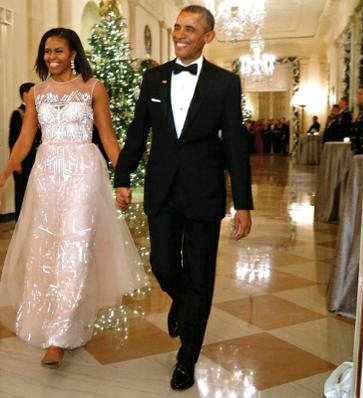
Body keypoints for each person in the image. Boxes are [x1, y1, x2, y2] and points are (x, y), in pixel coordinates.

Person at [114, 5, 253, 391]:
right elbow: (138, 131)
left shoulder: (225, 83)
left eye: (189, 28)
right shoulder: (154, 78)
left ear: (208, 36)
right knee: (162, 264)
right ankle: (182, 302)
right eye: (177, 27)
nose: (179, 33)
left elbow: (235, 147)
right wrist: (122, 176)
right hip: (162, 190)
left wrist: (242, 202)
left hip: (204, 192)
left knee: (201, 276)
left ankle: (186, 357)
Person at [0, 28, 148, 369]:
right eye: (47, 51)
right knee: (45, 249)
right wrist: (2, 176)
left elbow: (107, 138)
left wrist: (124, 181)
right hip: (46, 174)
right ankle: (48, 321)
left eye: (58, 50)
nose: (52, 57)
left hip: (83, 173)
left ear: (73, 53)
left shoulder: (93, 88)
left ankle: (58, 338)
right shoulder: (37, 93)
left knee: (75, 248)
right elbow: (24, 141)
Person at [8, 82, 42, 220]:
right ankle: (20, 224)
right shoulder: (18, 114)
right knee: (22, 193)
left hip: (36, 157)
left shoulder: (38, 113)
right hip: (23, 160)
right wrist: (15, 162)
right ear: (25, 95)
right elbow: (13, 140)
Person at [351, 86, 363, 154]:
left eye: (360, 94)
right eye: (358, 94)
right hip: (358, 147)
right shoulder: (362, 111)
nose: (358, 96)